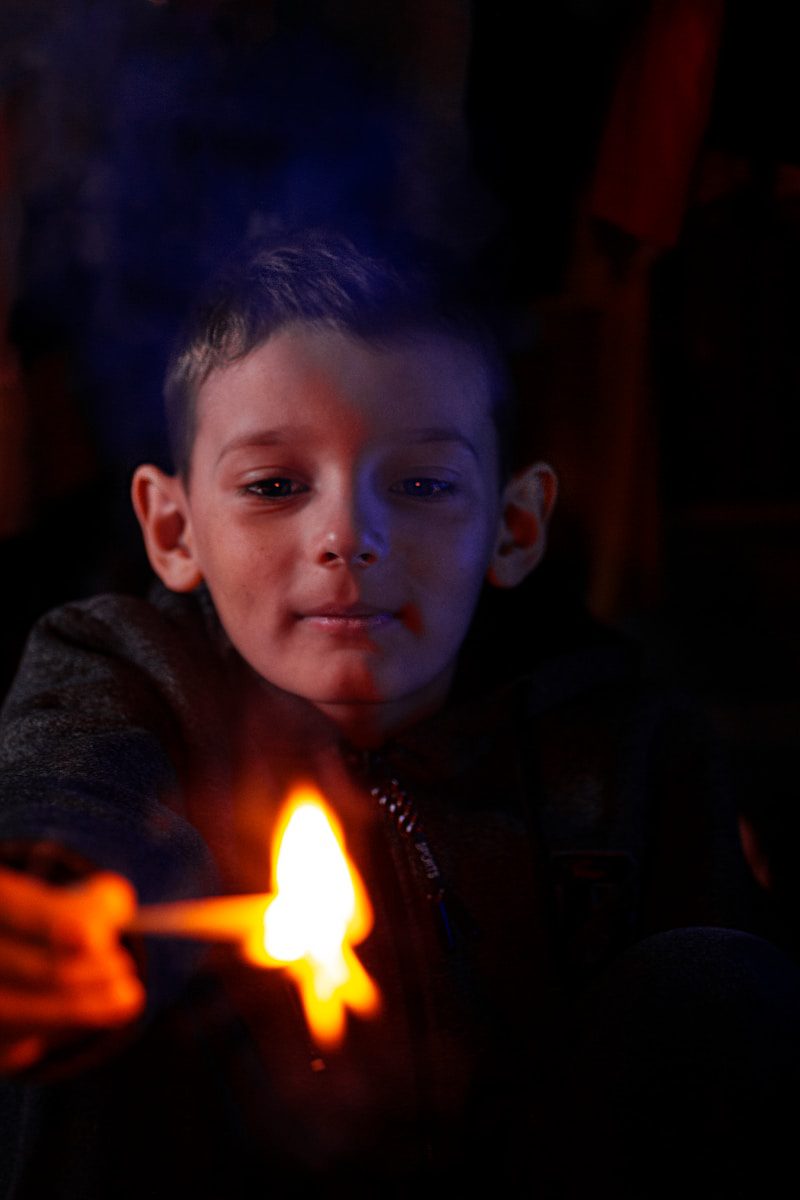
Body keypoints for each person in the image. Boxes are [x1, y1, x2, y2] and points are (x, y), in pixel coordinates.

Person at [0, 230, 749, 1197]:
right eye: (275, 486)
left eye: (423, 484)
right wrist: (44, 894)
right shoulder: (121, 670)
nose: (349, 535)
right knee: (98, 1003)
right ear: (174, 530)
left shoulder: (629, 741)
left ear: (514, 526)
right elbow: (68, 789)